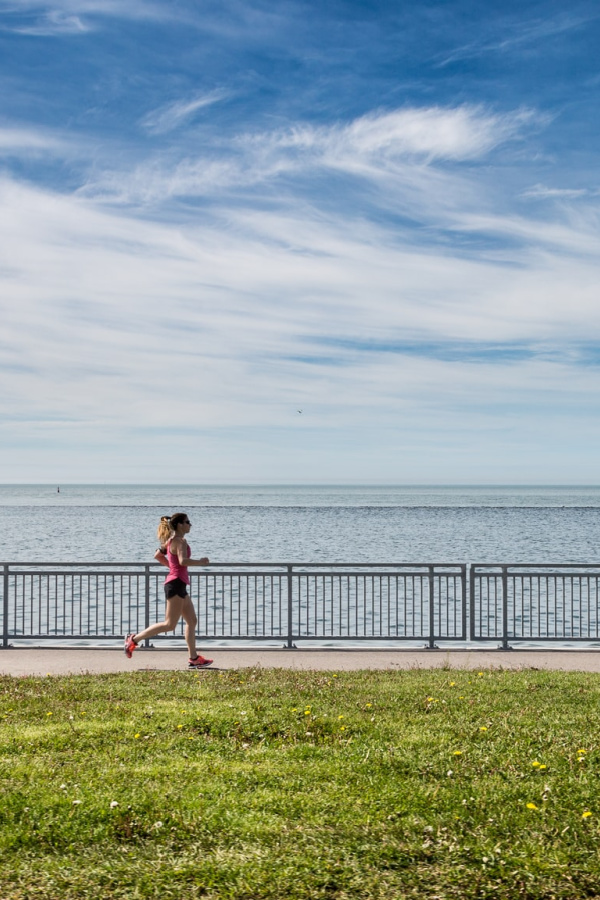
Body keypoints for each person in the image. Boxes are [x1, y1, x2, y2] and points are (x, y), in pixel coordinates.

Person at [124, 512, 214, 668]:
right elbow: (182, 561)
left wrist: (172, 568)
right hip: (176, 584)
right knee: (169, 624)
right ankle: (133, 640)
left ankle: (194, 658)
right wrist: (200, 562)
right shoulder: (180, 542)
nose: (190, 524)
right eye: (187, 522)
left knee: (192, 621)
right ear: (179, 525)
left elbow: (157, 555)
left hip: (178, 584)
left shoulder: (170, 541)